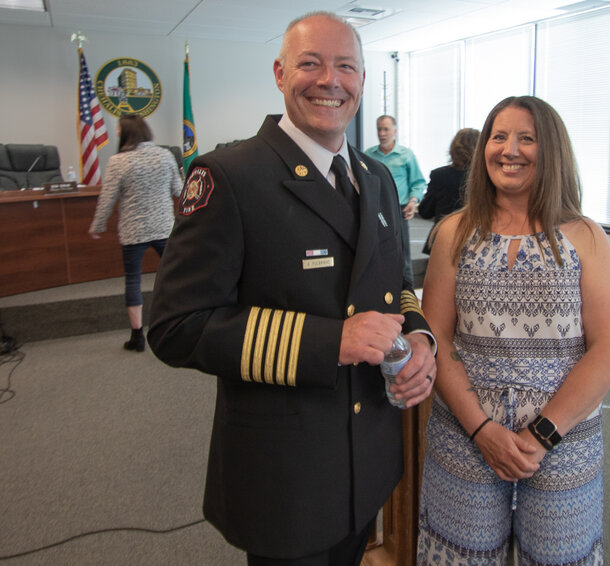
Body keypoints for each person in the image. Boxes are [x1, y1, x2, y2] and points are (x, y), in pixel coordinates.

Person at [147, 12, 437, 565]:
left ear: (361, 80)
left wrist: (420, 339)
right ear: (280, 73)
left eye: (345, 66)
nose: (330, 80)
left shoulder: (374, 178)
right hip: (285, 473)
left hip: (368, 456)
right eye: (311, 63)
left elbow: (395, 286)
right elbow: (176, 327)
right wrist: (334, 342)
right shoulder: (228, 176)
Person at [417, 96, 610, 565]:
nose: (509, 149)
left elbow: (608, 349)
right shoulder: (454, 232)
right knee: (459, 555)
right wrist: (483, 430)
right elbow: (438, 340)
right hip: (465, 432)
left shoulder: (584, 236)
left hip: (563, 438)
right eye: (499, 136)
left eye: (526, 138)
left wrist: (540, 437)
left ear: (550, 150)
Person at [88, 113, 182, 352]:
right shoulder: (165, 155)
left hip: (133, 231)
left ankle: (137, 336)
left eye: (118, 129)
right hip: (163, 227)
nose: (116, 133)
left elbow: (107, 199)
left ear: (127, 133)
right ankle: (177, 323)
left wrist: (98, 225)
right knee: (174, 276)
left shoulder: (119, 161)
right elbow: (179, 191)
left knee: (133, 279)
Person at [365, 115, 427, 283]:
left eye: (385, 129)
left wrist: (413, 202)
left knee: (402, 255)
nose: (382, 133)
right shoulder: (368, 155)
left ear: (395, 131)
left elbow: (418, 182)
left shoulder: (406, 155)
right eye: (379, 129)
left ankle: (409, 298)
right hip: (374, 211)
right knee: (375, 253)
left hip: (398, 210)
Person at [418, 128, 480, 254]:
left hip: (444, 241)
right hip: (477, 243)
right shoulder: (485, 178)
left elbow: (425, 211)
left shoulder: (439, 175)